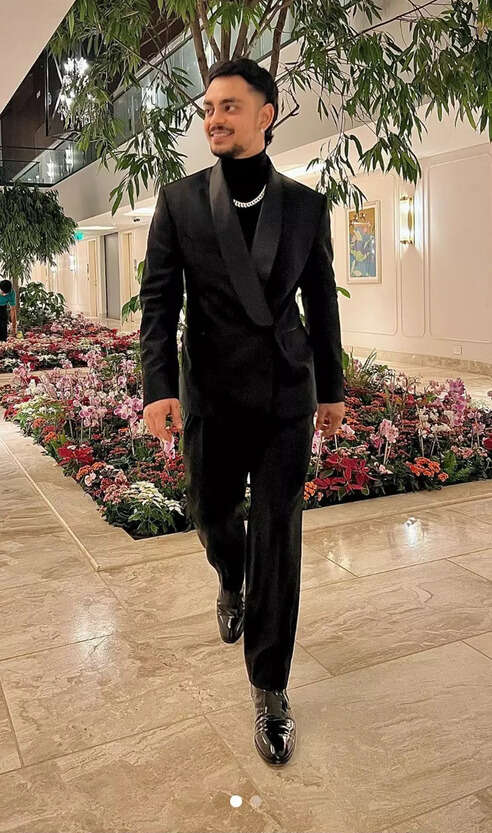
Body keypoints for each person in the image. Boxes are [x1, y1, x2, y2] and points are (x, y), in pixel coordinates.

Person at [140, 57, 345, 765]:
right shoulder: (180, 202)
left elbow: (322, 304)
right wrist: (158, 387)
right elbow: (158, 303)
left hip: (286, 393)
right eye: (208, 109)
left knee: (278, 537)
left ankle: (270, 685)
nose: (214, 119)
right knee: (213, 513)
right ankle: (229, 574)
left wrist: (331, 390)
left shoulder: (306, 206)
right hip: (212, 393)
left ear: (266, 113)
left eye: (229, 106)